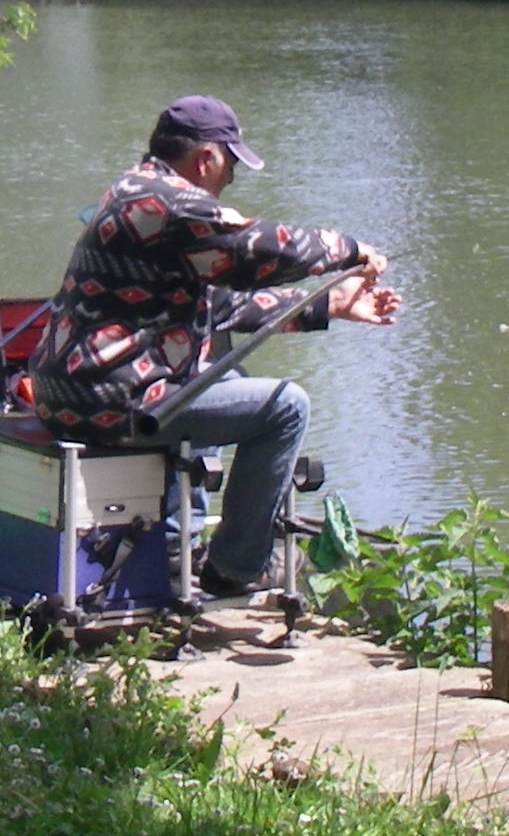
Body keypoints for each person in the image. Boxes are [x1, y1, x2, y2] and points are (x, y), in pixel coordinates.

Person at [27, 94, 396, 597]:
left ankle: (176, 545)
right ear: (207, 159)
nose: (232, 179)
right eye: (231, 165)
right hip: (112, 402)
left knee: (224, 379)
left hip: (70, 396)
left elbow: (219, 306)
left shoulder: (132, 190)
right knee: (286, 406)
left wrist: (328, 304)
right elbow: (257, 249)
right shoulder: (172, 202)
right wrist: (349, 250)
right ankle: (235, 568)